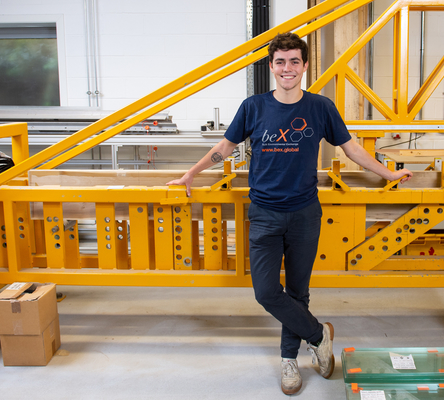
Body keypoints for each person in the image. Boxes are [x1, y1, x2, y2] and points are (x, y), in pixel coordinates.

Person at [167, 32, 413, 395]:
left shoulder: (320, 107)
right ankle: (319, 335)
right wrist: (191, 173)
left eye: (294, 61)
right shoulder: (253, 107)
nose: (287, 68)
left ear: (305, 65)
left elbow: (352, 149)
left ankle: (289, 361)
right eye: (280, 62)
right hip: (264, 214)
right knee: (267, 292)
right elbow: (225, 146)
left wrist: (388, 174)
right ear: (271, 66)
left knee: (298, 292)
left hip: (304, 214)